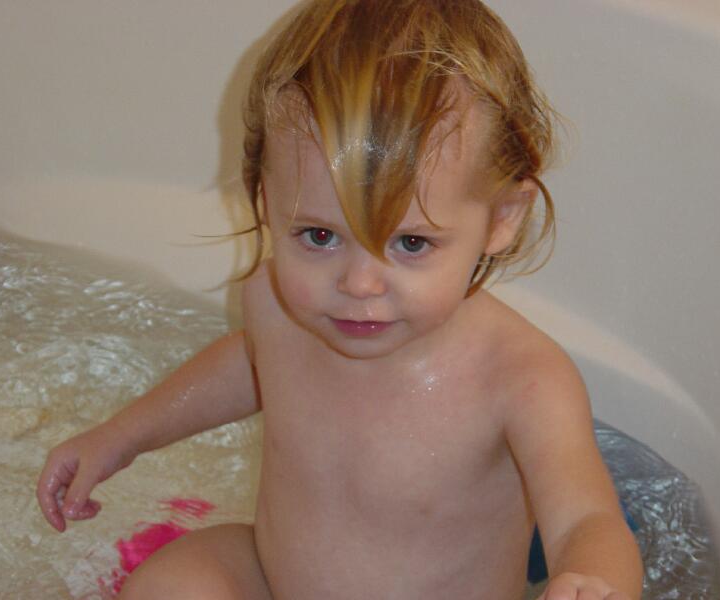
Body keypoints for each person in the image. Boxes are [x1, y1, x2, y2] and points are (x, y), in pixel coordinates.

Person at [37, 1, 643, 598]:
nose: (359, 285)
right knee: (172, 584)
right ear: (266, 201)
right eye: (320, 236)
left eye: (410, 242)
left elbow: (587, 520)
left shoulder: (521, 378)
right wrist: (121, 438)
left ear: (502, 218)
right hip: (276, 580)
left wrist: (590, 582)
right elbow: (250, 365)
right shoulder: (277, 304)